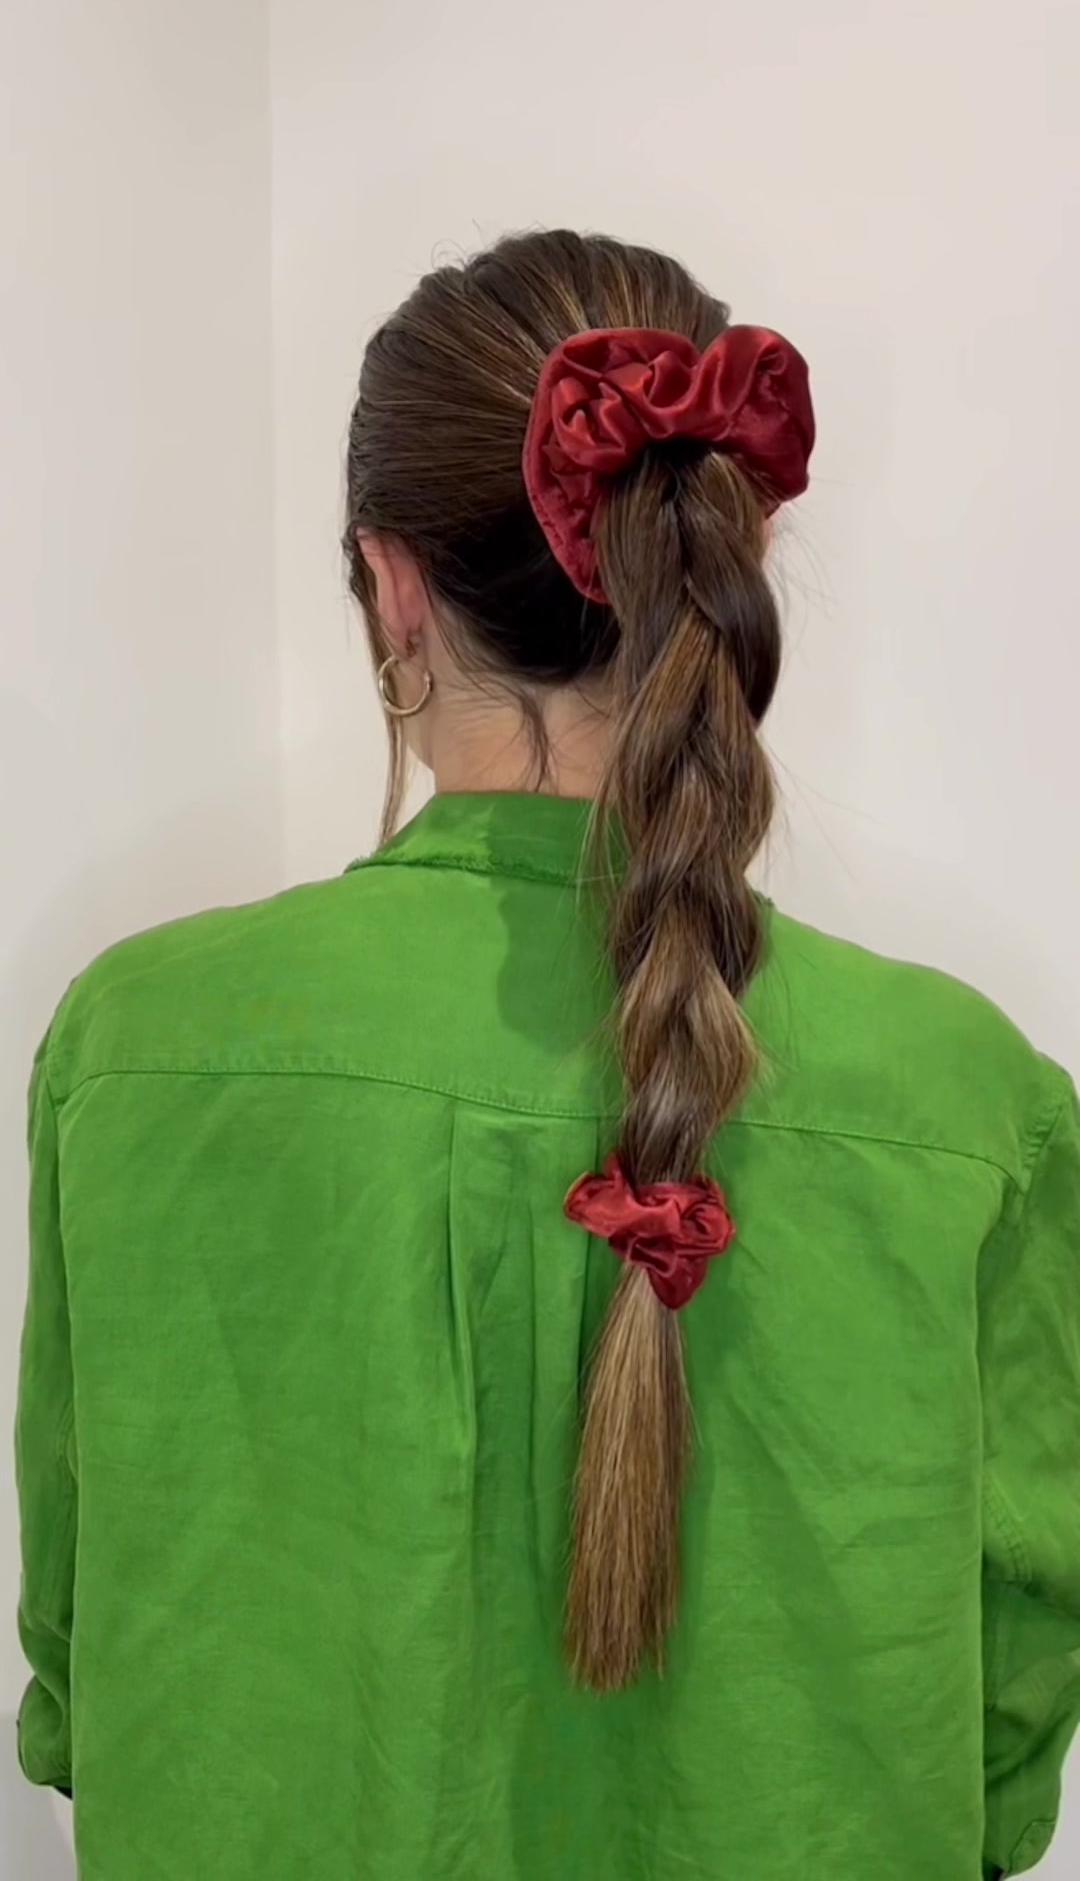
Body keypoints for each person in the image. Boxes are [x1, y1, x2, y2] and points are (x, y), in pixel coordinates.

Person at [15, 229, 1080, 1881]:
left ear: (393, 584)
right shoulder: (970, 1103)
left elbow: (86, 1665)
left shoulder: (132, 1048)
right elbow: (1010, 1717)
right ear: (722, 560)